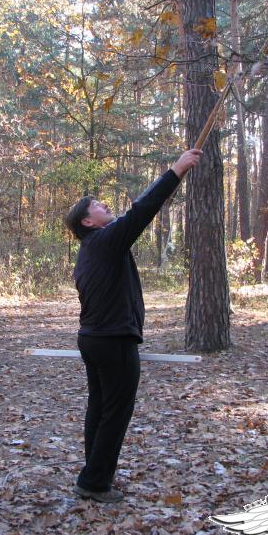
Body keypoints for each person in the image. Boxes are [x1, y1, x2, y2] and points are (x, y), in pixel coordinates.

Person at [64, 149, 201, 503]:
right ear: (88, 222)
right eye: (96, 205)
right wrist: (176, 170)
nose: (104, 205)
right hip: (112, 342)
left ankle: (91, 474)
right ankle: (94, 483)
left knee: (100, 406)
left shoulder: (91, 250)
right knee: (115, 411)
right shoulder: (106, 241)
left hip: (93, 340)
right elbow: (142, 211)